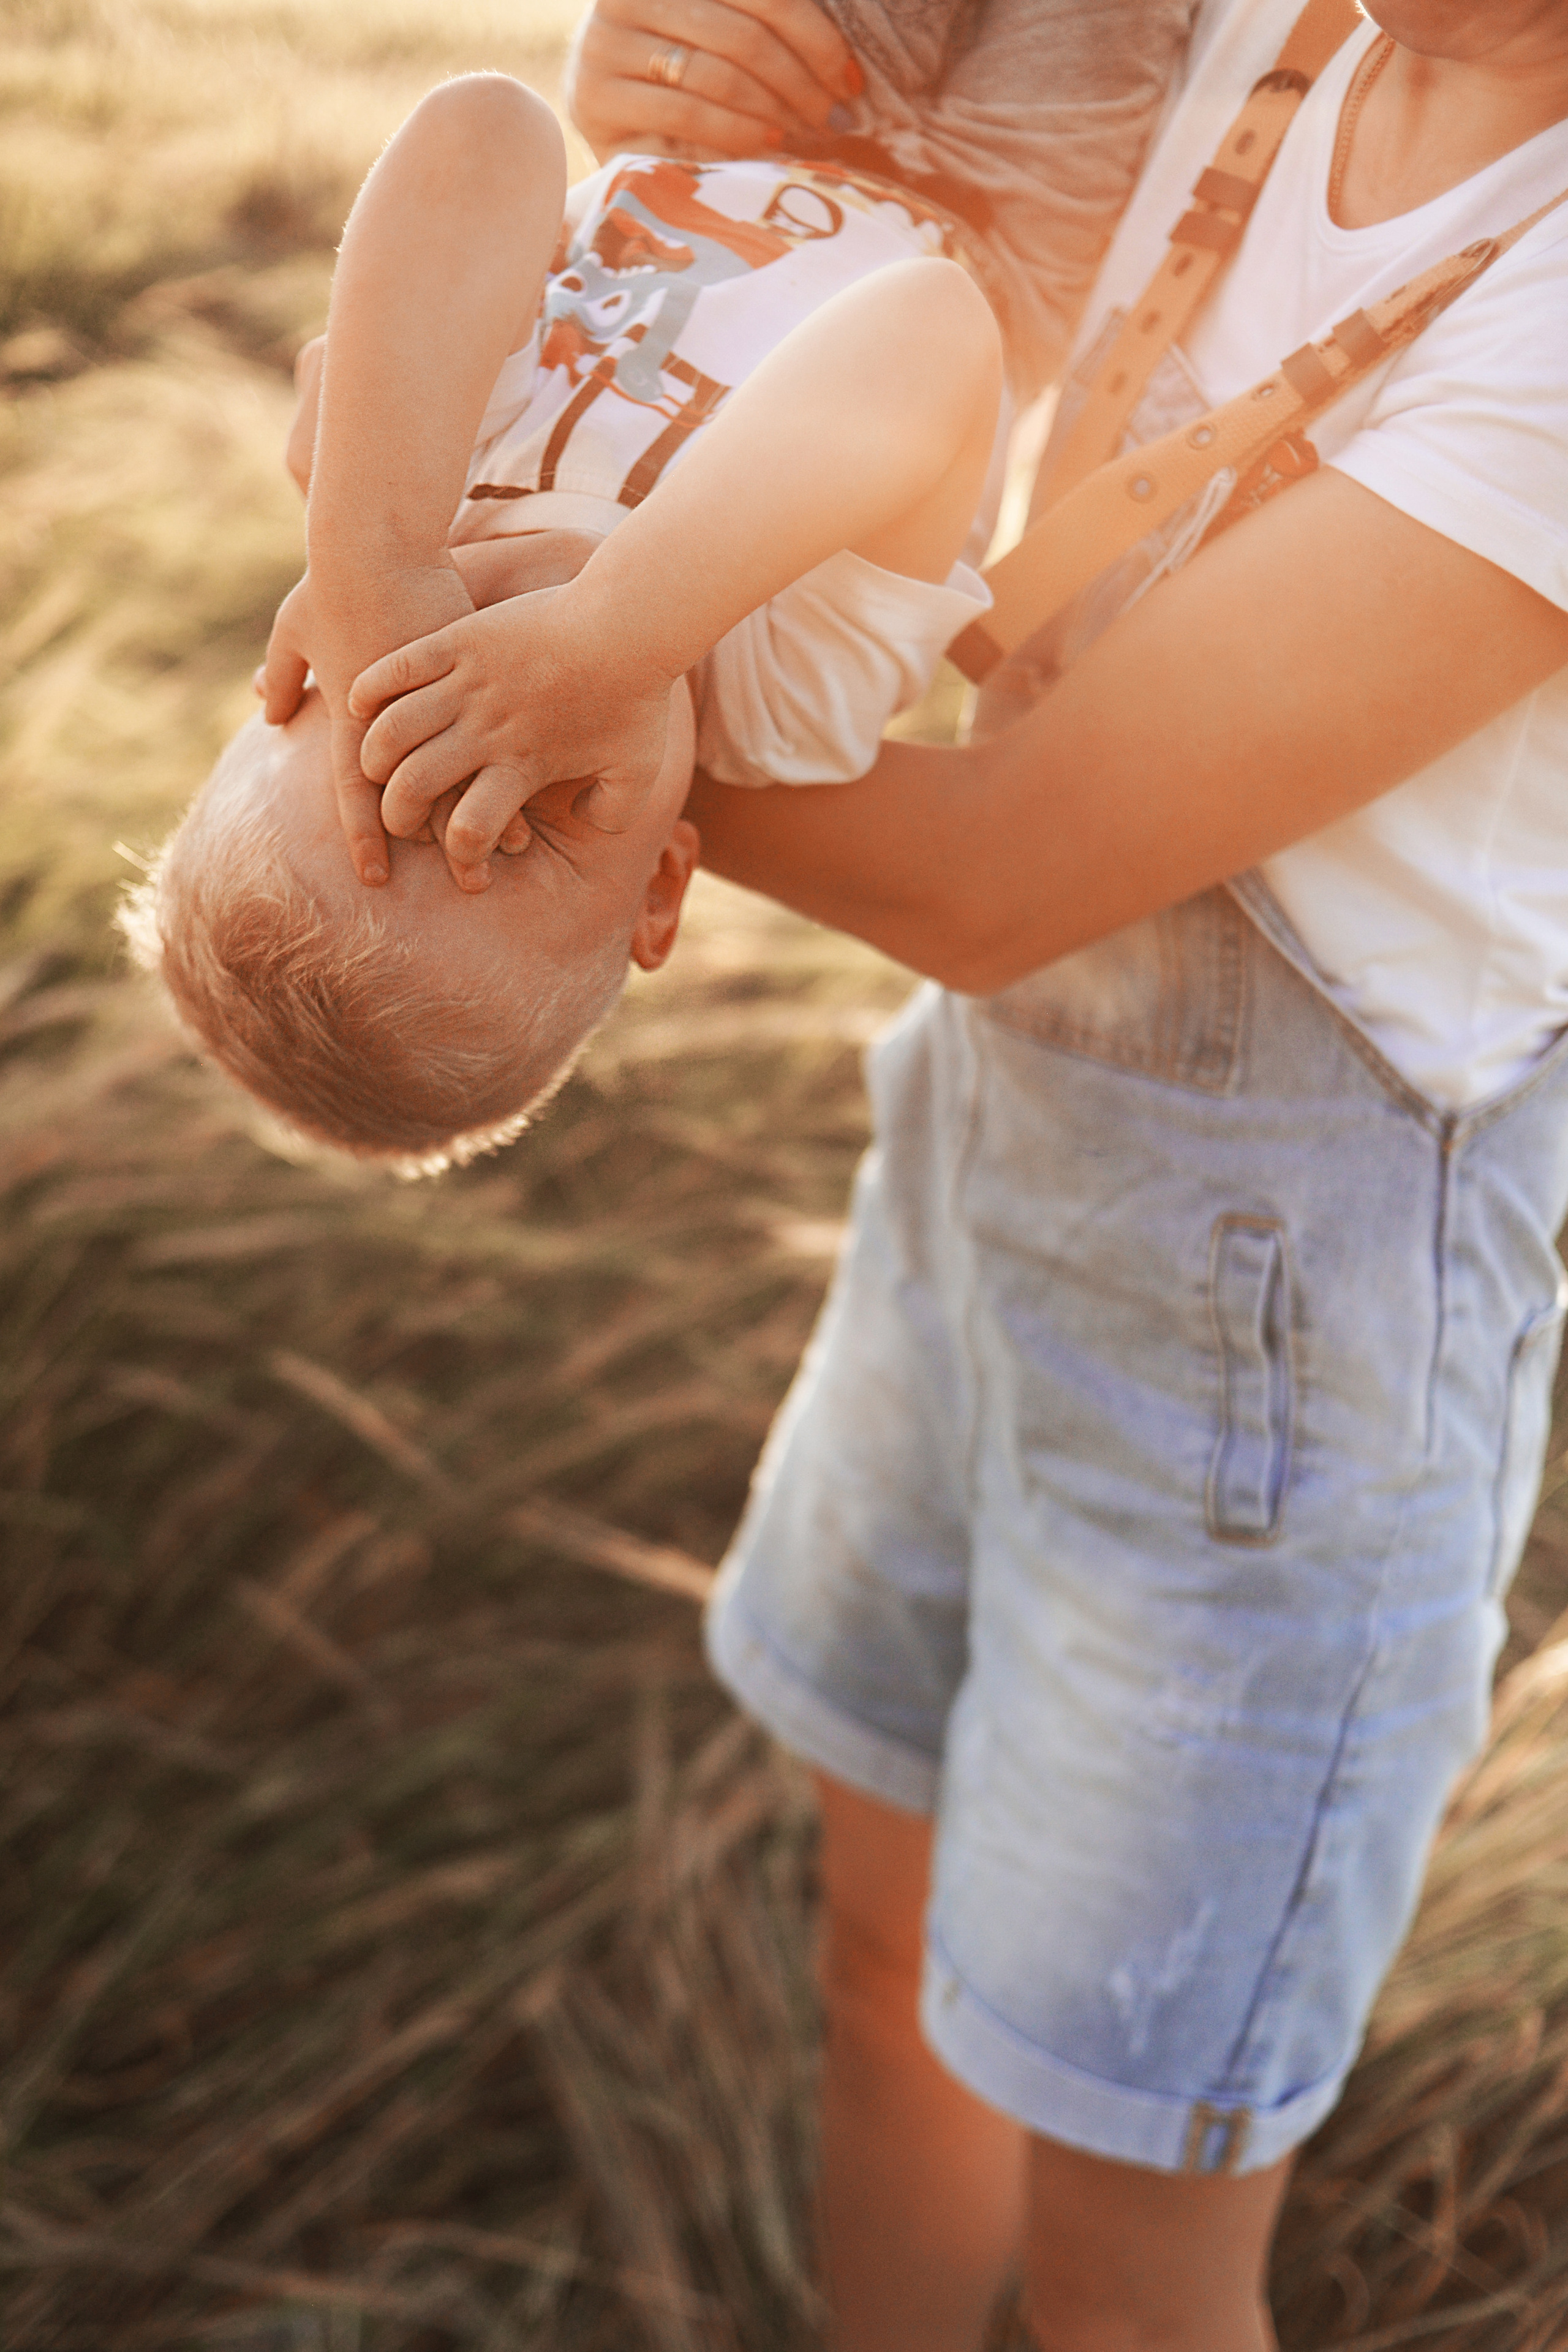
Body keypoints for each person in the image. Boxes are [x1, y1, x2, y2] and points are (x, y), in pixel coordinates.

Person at [577, 0, 1568, 2346]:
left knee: (1135, 2279)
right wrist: (677, 128)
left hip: (1278, 1350)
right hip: (983, 1139)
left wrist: (553, 710)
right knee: (884, 1958)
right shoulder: (1244, 27)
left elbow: (1004, 862)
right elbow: (838, 294)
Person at [124, 72, 1002, 1166]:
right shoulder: (787, 698)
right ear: (661, 888)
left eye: (399, 733)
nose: (505, 717)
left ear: (297, 668)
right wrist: (611, 639)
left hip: (746, 68)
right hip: (1010, 152)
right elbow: (934, 324)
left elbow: (484, 131)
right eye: (536, 819)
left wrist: (370, 548)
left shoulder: (423, 476)